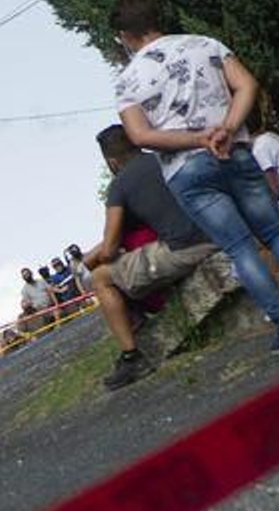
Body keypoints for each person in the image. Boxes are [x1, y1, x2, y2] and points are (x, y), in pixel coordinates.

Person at [109, 0, 279, 353]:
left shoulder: (127, 80)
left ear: (124, 36)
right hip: (236, 152)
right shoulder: (204, 43)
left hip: (187, 169)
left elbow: (140, 136)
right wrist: (226, 127)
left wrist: (197, 138)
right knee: (276, 231)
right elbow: (247, 85)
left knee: (239, 247)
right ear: (156, 18)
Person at [80, 124, 223, 389]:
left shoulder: (120, 185)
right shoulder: (163, 156)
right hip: (218, 230)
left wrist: (89, 259)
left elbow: (110, 247)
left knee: (101, 278)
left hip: (187, 247)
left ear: (112, 162)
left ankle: (131, 356)